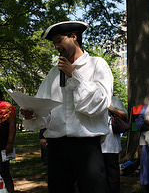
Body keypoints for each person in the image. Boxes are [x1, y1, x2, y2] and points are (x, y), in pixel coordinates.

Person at [21, 21, 113, 193]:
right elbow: (44, 109)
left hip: (86, 145)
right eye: (54, 43)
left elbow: (100, 103)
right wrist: (30, 114)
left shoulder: (96, 64)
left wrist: (74, 75)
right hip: (56, 145)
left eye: (58, 40)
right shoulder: (53, 73)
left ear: (73, 37)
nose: (56, 47)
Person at [101, 95, 128, 193]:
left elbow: (125, 115)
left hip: (111, 144)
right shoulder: (94, 98)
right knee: (100, 172)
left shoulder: (114, 100)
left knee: (112, 171)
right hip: (97, 143)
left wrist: (112, 109)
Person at [0, 89, 16, 193]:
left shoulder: (6, 107)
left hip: (3, 144)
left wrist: (10, 143)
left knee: (4, 171)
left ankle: (9, 191)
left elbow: (12, 125)